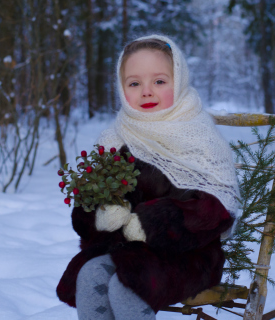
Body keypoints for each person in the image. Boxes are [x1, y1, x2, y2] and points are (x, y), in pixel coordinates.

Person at [56, 34, 239, 320]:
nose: (147, 92)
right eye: (134, 83)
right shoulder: (115, 138)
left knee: (127, 285)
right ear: (121, 87)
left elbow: (215, 211)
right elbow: (86, 210)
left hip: (188, 255)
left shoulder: (200, 137)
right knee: (90, 275)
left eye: (159, 81)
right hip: (125, 249)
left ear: (178, 81)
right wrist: (101, 215)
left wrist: (151, 223)